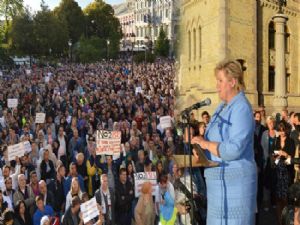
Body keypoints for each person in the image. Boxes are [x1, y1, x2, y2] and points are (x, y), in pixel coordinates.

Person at [191, 59, 257, 224]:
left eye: (220, 81)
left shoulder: (241, 108)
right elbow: (212, 143)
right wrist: (201, 151)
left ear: (233, 82)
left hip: (235, 188)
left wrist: (205, 144)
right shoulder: (221, 107)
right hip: (217, 188)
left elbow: (234, 149)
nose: (217, 85)